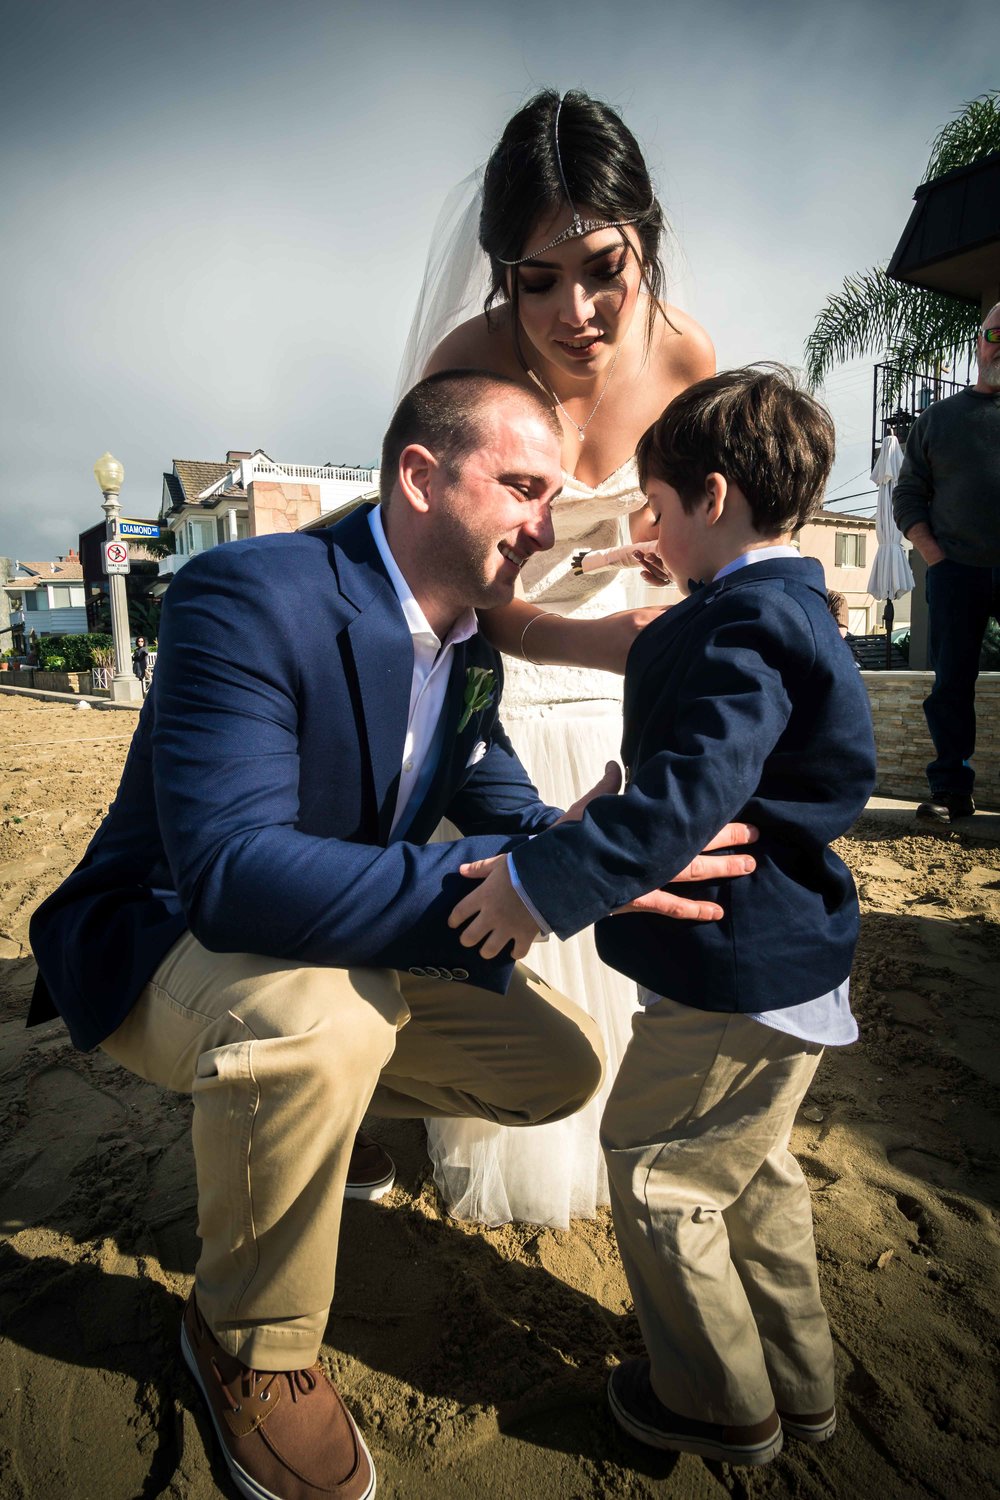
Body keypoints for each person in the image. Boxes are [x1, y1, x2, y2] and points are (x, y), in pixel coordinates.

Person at [28, 371, 756, 1500]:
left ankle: (292, 1117)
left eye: (550, 494)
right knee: (323, 1023)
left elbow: (503, 801)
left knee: (553, 1068)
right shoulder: (244, 593)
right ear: (419, 476)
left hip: (330, 938)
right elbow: (229, 874)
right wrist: (513, 874)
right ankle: (246, 1343)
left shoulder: (467, 646)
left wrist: (599, 849)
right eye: (521, 487)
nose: (544, 521)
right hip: (163, 935)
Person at [451, 368, 878, 1467]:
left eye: (658, 508)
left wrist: (539, 885)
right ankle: (798, 1374)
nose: (647, 530)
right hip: (788, 959)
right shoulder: (778, 602)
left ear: (715, 496)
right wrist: (683, 574)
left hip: (734, 971)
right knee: (749, 1171)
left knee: (655, 1168)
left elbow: (684, 795)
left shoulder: (740, 628)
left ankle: (716, 1397)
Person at [405, 87, 716, 1226]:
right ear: (499, 275)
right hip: (509, 680)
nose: (575, 310)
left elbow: (716, 547)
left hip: (645, 676)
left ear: (645, 239)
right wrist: (589, 635)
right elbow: (439, 593)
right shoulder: (463, 369)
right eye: (537, 281)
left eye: (602, 269)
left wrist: (666, 567)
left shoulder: (688, 358)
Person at [892, 304, 1000, 823]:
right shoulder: (939, 419)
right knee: (951, 682)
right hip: (956, 570)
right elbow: (908, 494)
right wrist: (936, 558)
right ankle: (951, 790)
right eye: (997, 333)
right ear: (979, 343)